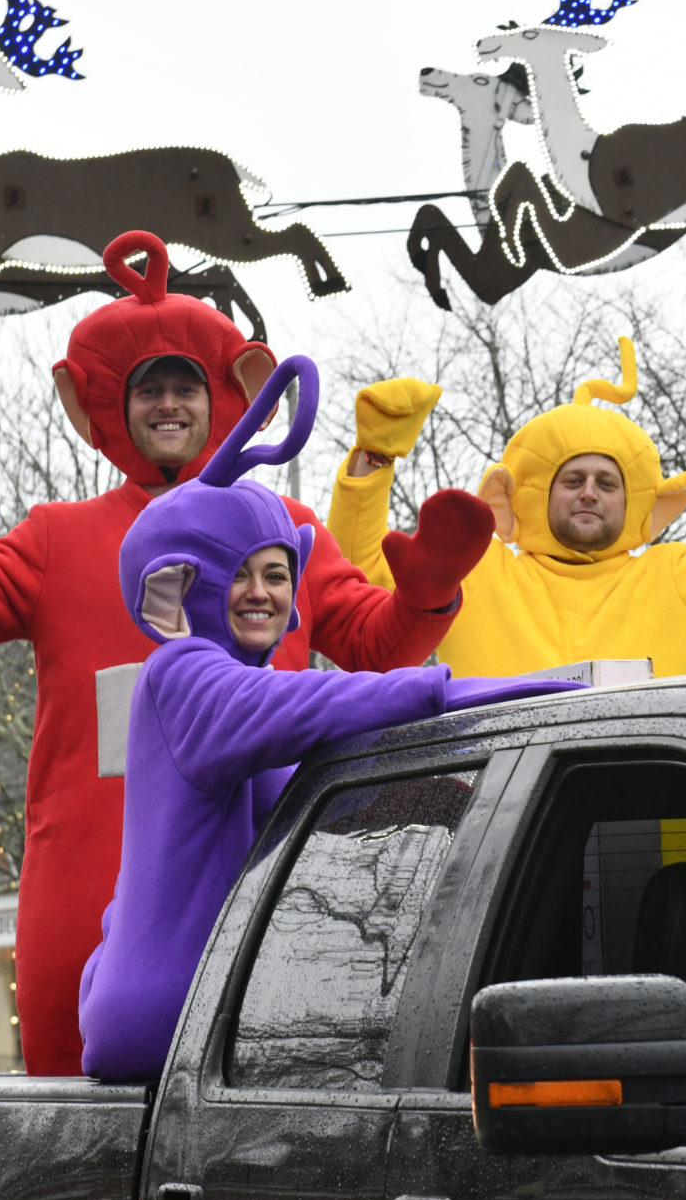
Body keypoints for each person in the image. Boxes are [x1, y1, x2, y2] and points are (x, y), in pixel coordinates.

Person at [0, 231, 489, 1076]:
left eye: (185, 387)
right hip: (86, 879)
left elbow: (376, 646)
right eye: (148, 389)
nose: (169, 405)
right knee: (74, 1109)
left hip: (268, 877)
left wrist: (426, 592)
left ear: (219, 401)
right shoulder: (58, 538)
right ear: (113, 409)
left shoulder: (285, 535)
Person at [78, 355, 574, 1082]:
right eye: (238, 573)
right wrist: (450, 691)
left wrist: (445, 799)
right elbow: (312, 704)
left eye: (276, 573)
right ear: (183, 585)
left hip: (196, 1006)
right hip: (177, 1010)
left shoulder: (232, 706)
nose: (261, 592)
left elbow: (321, 794)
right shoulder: (181, 675)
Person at [325, 337, 686, 676]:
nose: (589, 492)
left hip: (670, 828)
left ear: (636, 504)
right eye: (572, 479)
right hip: (508, 829)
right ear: (529, 494)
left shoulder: (679, 577)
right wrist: (375, 457)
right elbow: (358, 580)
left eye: (608, 482)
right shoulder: (475, 573)